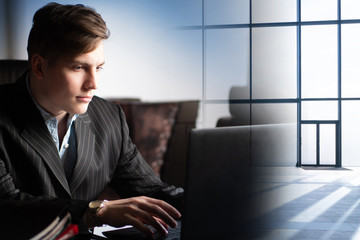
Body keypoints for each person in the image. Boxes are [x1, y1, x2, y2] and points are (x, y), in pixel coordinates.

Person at [0, 2, 183, 237]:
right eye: (79, 67)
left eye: (99, 68)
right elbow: (7, 206)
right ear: (39, 66)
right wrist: (97, 212)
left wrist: (209, 201)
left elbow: (153, 191)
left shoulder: (109, 118)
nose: (93, 84)